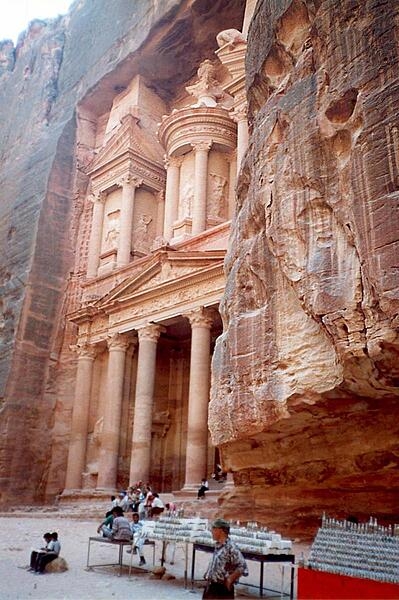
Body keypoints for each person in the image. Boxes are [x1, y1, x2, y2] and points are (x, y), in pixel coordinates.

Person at [203, 518, 248, 599]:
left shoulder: (230, 547)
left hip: (222, 589)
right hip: (212, 586)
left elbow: (242, 566)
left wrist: (230, 579)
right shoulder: (218, 545)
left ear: (221, 530)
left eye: (213, 529)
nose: (211, 532)